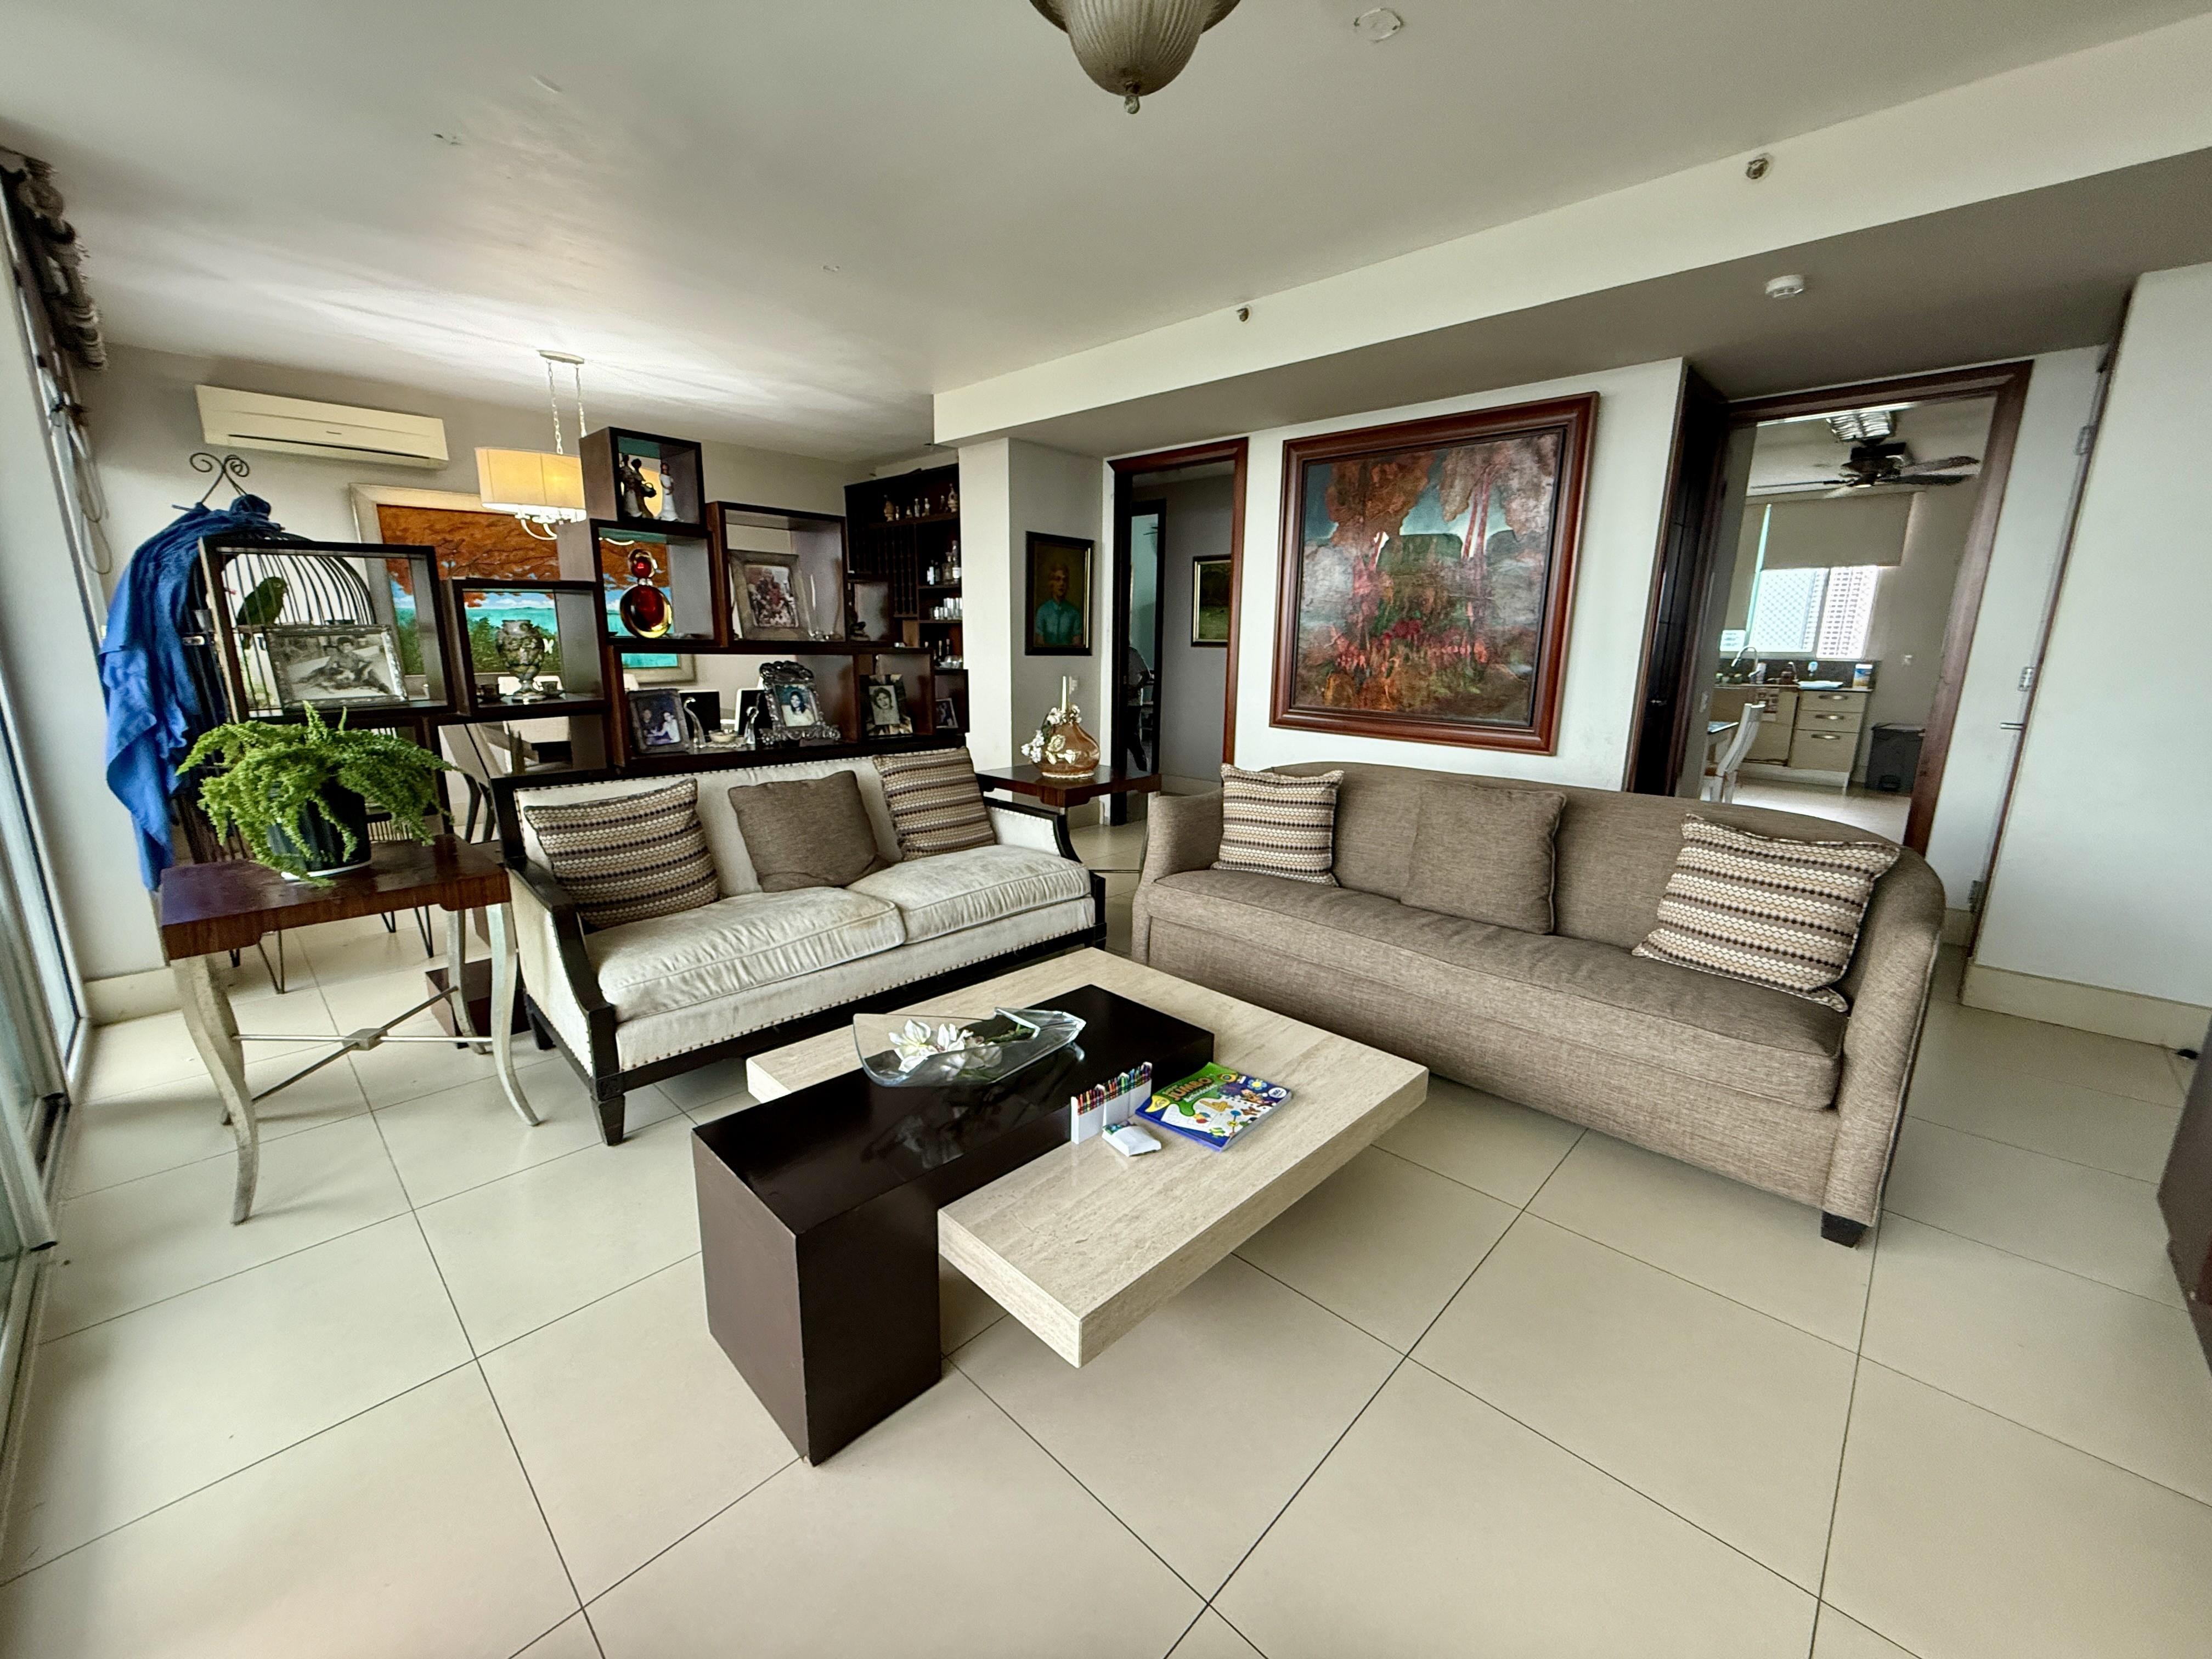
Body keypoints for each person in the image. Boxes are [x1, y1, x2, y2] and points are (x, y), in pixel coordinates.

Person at [1034, 561, 1083, 648]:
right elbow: (1039, 644)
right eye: (1058, 579)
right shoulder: (1042, 611)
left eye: (1065, 580)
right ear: (1051, 584)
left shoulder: (1074, 613)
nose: (1062, 584)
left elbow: (1077, 645)